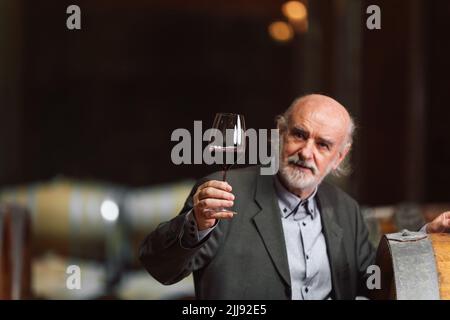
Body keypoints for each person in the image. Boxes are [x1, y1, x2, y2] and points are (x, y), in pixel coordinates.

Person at [139, 94, 450, 300]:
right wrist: (198, 222)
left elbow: (374, 282)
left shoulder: (345, 209)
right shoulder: (224, 192)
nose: (306, 152)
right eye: (299, 135)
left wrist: (422, 242)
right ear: (279, 133)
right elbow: (159, 267)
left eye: (323, 144)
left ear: (339, 157)